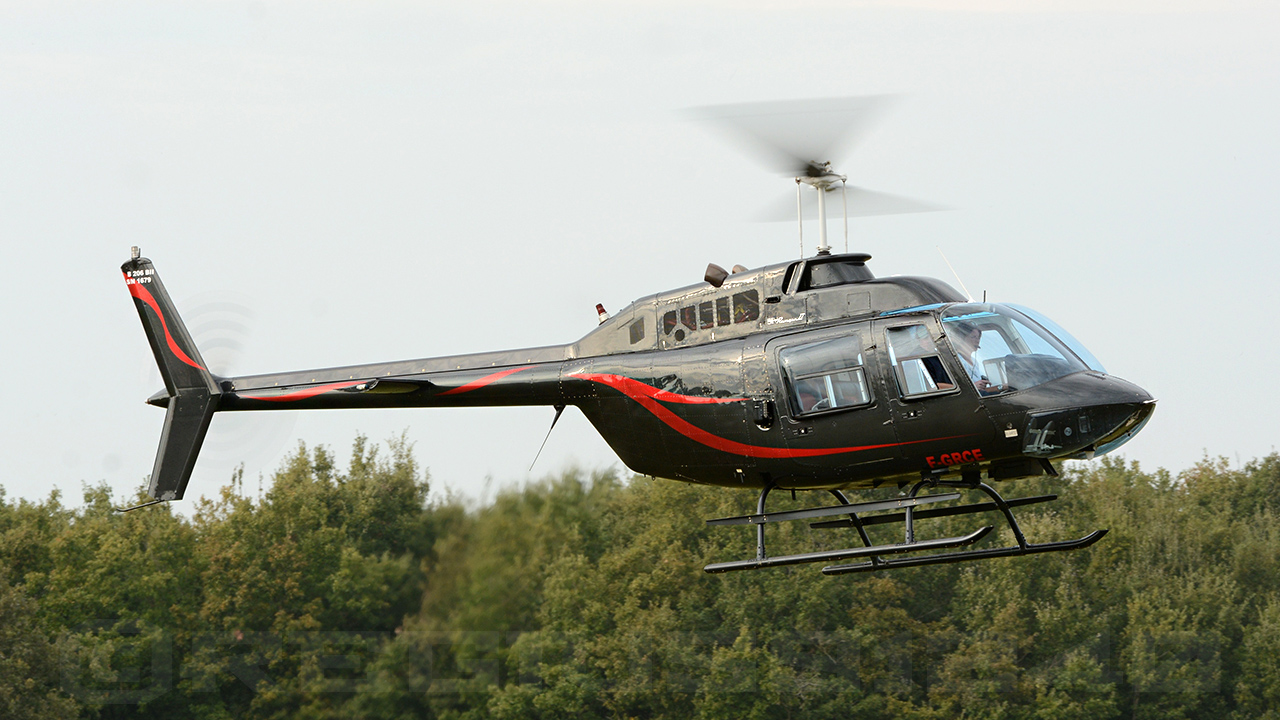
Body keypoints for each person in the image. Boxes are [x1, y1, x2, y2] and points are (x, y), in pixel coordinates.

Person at [950, 322, 1001, 395]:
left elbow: (980, 391)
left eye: (978, 337)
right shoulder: (956, 360)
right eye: (973, 337)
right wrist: (973, 386)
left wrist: (1002, 387)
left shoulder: (975, 362)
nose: (977, 341)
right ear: (961, 338)